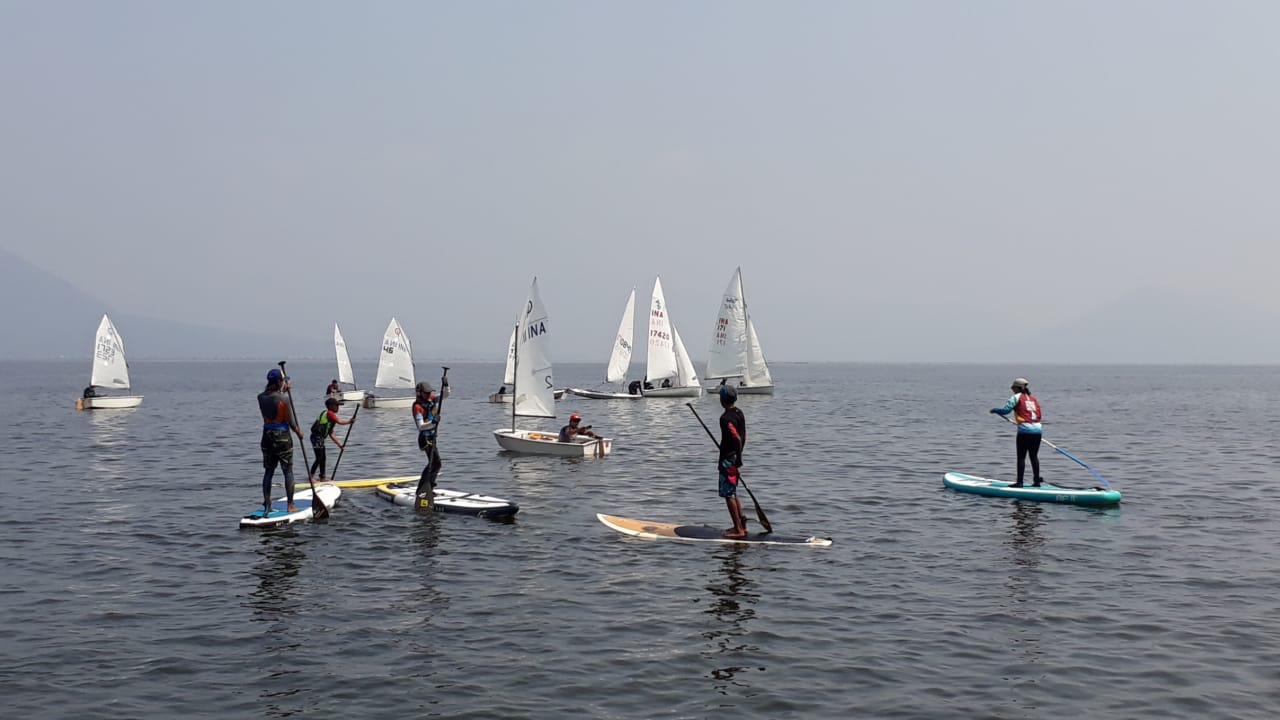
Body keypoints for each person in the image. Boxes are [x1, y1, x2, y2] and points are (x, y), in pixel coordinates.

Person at [258, 368, 304, 513]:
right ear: (279, 381)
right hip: (282, 436)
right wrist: (299, 433)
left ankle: (267, 503)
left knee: (268, 471)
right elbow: (290, 421)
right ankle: (290, 505)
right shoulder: (284, 398)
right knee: (288, 471)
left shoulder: (260, 397)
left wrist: (283, 389)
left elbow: (273, 398)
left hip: (266, 436)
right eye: (282, 380)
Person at [991, 377, 1043, 488]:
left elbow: (1006, 410)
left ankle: (1020, 482)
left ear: (1017, 388)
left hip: (1025, 431)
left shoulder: (1016, 397)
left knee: (1021, 457)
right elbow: (1039, 415)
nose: (1012, 390)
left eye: (1013, 388)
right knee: (1034, 456)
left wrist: (995, 410)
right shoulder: (1033, 399)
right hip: (1038, 431)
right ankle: (1037, 482)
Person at [717, 385, 748, 539]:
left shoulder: (725, 418)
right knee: (733, 492)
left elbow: (736, 437)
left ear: (722, 400)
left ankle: (738, 529)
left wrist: (737, 461)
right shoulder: (739, 413)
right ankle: (742, 525)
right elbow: (744, 436)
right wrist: (739, 457)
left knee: (728, 494)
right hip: (734, 457)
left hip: (728, 460)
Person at [413, 379, 448, 507]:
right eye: (425, 393)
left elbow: (445, 395)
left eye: (429, 393)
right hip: (424, 439)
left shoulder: (431, 399)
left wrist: (446, 385)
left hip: (432, 437)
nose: (428, 395)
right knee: (435, 463)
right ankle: (422, 489)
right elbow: (421, 426)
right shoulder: (417, 407)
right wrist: (434, 423)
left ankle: (429, 488)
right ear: (419, 393)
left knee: (436, 464)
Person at [309, 397, 354, 481]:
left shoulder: (331, 419)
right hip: (316, 437)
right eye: (336, 405)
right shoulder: (329, 413)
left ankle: (322, 477)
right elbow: (339, 421)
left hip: (320, 439)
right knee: (319, 458)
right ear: (330, 406)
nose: (338, 407)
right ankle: (311, 478)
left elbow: (331, 433)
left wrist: (339, 444)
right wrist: (349, 421)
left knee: (323, 458)